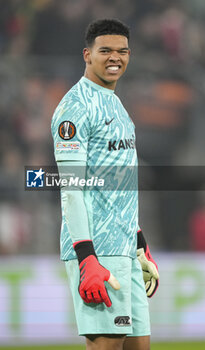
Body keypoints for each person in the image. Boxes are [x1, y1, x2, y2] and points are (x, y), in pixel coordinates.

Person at [51, 18, 159, 350]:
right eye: (106, 51)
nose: (115, 58)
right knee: (106, 345)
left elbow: (117, 183)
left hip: (123, 249)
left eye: (122, 51)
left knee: (139, 346)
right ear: (87, 54)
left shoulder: (117, 106)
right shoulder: (75, 107)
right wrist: (87, 258)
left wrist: (138, 241)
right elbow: (70, 188)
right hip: (97, 251)